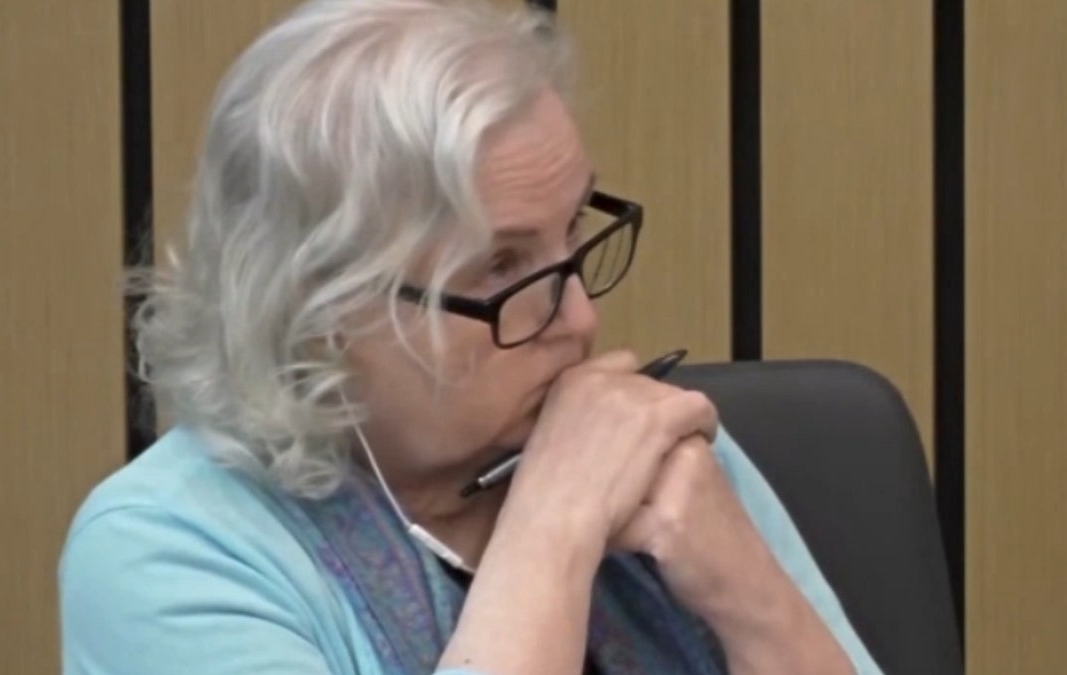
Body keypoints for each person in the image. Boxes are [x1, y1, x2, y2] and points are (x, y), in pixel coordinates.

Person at [59, 1, 884, 673]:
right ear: (315, 311)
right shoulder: (166, 552)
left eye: (574, 231)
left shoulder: (659, 456)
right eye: (499, 268)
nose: (581, 318)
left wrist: (751, 596)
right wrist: (554, 525)